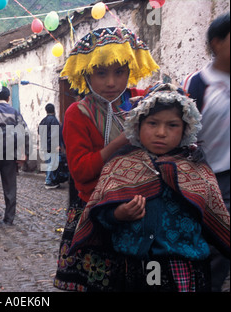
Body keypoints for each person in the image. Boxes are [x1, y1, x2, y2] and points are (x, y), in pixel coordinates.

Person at [68, 84, 230, 291]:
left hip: (182, 267)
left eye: (172, 125)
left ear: (186, 129)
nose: (161, 133)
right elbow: (99, 212)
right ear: (138, 125)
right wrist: (117, 214)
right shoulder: (120, 165)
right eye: (152, 123)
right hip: (132, 266)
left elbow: (215, 215)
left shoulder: (196, 168)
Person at [54, 26, 160, 290]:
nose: (111, 82)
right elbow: (80, 171)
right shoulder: (77, 113)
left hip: (145, 204)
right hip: (98, 208)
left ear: (130, 70)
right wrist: (119, 142)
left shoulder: (142, 102)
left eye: (119, 72)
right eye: (101, 73)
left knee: (146, 281)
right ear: (86, 73)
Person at [183, 12, 230, 292]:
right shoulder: (197, 84)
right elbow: (182, 133)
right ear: (217, 43)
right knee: (213, 246)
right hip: (207, 178)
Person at [0, 86, 30, 225]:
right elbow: (25, 132)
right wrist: (24, 153)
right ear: (8, 98)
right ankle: (9, 218)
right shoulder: (15, 112)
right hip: (10, 153)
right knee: (10, 186)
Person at [38, 103, 63, 189]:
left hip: (45, 145)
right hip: (52, 146)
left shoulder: (43, 120)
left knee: (48, 163)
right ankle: (49, 181)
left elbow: (39, 131)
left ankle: (49, 179)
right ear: (53, 110)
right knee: (51, 164)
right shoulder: (54, 121)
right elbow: (55, 134)